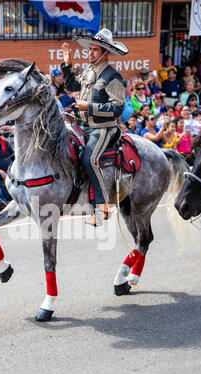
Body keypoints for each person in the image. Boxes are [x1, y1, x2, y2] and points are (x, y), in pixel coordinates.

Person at [61, 28, 128, 226]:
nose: (90, 53)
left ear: (105, 54)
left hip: (104, 128)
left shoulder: (112, 76)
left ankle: (102, 209)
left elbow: (118, 108)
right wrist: (67, 63)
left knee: (89, 159)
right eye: (89, 49)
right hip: (82, 125)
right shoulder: (89, 71)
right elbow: (72, 86)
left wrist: (88, 107)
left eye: (95, 50)